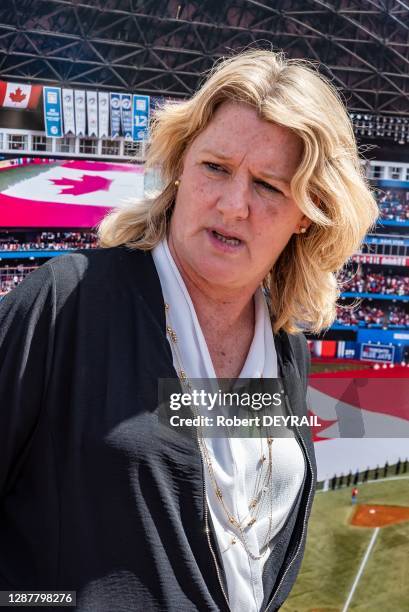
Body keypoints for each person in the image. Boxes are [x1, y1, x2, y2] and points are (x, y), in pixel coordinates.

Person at [0, 49, 378, 611]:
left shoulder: (284, 348)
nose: (233, 205)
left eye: (269, 186)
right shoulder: (66, 302)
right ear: (180, 165)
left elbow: (235, 518)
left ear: (309, 211)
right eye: (216, 168)